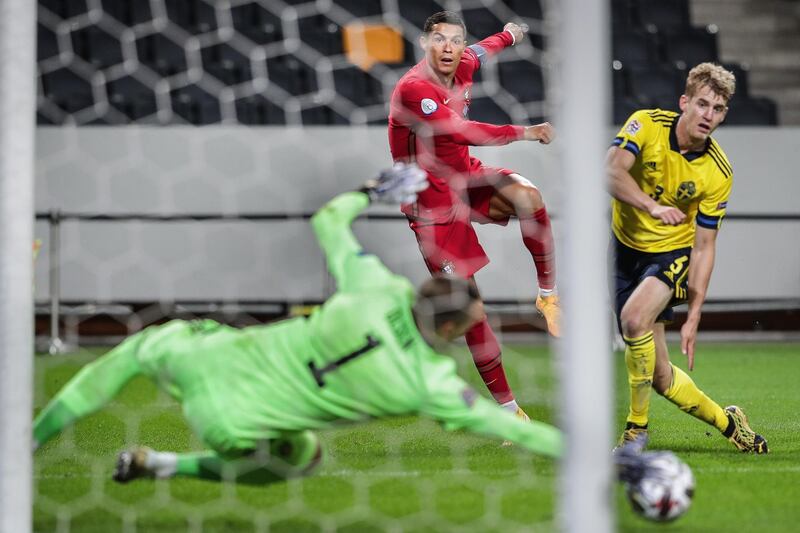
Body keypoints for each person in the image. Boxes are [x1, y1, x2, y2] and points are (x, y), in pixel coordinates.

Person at [32, 164, 563, 484]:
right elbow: (506, 427)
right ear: (449, 333)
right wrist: (606, 463)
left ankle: (27, 443)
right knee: (302, 457)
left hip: (204, 360)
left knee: (135, 351)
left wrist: (371, 189)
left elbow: (327, 221)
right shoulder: (429, 383)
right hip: (235, 426)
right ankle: (166, 466)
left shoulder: (375, 286)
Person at [387, 11, 560, 426]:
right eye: (440, 40)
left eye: (456, 41)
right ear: (425, 43)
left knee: (529, 198)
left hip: (466, 177)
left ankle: (548, 296)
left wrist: (511, 34)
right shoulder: (415, 89)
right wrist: (526, 132)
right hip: (432, 208)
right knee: (470, 309)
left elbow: (485, 49)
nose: (449, 48)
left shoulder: (465, 61)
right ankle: (509, 412)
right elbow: (462, 132)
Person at [607, 63, 767, 453]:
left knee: (633, 318)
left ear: (724, 115)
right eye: (702, 104)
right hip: (623, 251)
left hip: (671, 255)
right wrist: (651, 206)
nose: (708, 115)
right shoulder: (645, 124)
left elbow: (704, 246)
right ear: (684, 102)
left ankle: (636, 431)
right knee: (660, 378)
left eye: (717, 109)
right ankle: (732, 425)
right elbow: (611, 172)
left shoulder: (717, 171)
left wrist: (694, 312)